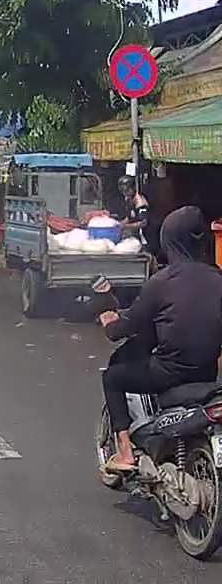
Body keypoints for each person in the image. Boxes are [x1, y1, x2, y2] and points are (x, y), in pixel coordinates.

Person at [98, 205, 222, 473]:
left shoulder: (161, 282)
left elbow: (125, 328)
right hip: (207, 375)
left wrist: (110, 322)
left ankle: (125, 452)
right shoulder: (218, 279)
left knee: (113, 378)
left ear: (169, 240)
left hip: (168, 373)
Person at [117, 175, 159, 262]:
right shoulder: (128, 199)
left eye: (127, 190)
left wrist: (126, 227)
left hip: (147, 236)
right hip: (138, 235)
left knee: (147, 257)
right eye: (122, 191)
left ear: (133, 188)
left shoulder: (140, 202)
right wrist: (118, 224)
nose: (125, 193)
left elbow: (143, 223)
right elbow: (129, 217)